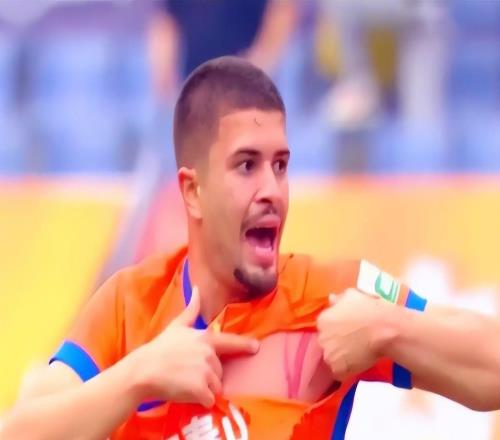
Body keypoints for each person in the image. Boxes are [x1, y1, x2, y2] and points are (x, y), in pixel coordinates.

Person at [1, 56, 500, 440]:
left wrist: (389, 328)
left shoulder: (330, 297)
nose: (272, 190)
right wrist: (139, 376)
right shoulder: (130, 305)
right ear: (192, 191)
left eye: (280, 165)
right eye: (247, 166)